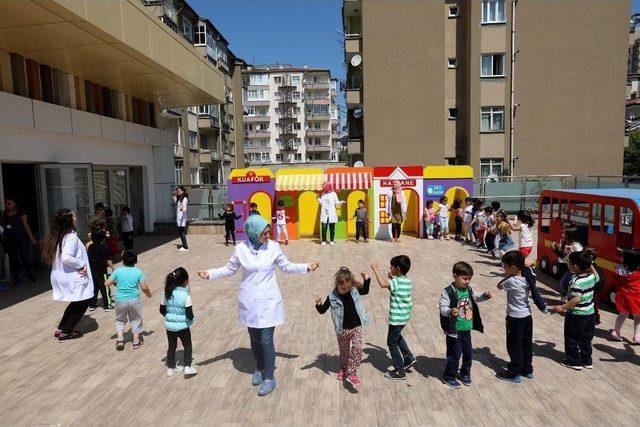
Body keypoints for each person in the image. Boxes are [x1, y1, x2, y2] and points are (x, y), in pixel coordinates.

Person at [197, 215, 319, 396]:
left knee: (266, 339)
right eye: (265, 232)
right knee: (254, 339)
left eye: (269, 231)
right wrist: (210, 273)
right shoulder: (240, 249)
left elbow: (286, 266)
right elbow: (229, 269)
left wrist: (306, 267)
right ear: (254, 232)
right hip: (249, 301)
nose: (269, 234)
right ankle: (259, 368)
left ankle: (269, 377)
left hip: (268, 301)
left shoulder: (274, 247)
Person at [42, 208, 94, 341]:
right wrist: (81, 265)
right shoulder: (70, 237)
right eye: (74, 216)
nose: (76, 218)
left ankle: (61, 328)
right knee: (83, 301)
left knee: (76, 302)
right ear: (69, 220)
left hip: (62, 275)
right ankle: (66, 332)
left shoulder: (58, 235)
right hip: (72, 276)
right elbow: (66, 257)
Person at [439, 262, 492, 389]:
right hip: (454, 330)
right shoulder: (448, 291)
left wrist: (484, 296)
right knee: (454, 354)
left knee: (468, 353)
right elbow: (442, 307)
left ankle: (465, 373)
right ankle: (449, 376)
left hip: (466, 328)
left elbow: (476, 298)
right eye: (464, 278)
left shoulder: (468, 289)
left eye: (469, 279)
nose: (467, 281)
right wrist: (450, 311)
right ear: (455, 275)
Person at [315, 267, 371, 386]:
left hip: (357, 327)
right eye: (343, 289)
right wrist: (318, 304)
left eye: (348, 287)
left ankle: (352, 373)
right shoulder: (332, 297)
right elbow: (322, 310)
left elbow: (365, 291)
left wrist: (366, 280)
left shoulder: (354, 290)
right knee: (344, 352)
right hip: (342, 330)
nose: (346, 290)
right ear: (337, 285)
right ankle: (344, 369)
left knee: (357, 349)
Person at [549, 249, 599, 370]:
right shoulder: (591, 277)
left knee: (572, 338)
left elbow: (576, 299)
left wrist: (562, 307)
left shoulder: (575, 282)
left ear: (575, 267)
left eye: (569, 263)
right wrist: (589, 263)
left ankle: (573, 361)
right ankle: (587, 360)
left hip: (577, 315)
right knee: (586, 338)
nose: (569, 265)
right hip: (590, 314)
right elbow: (597, 276)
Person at [371, 255, 416, 380]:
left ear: (397, 268)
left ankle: (399, 371)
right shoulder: (407, 280)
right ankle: (408, 358)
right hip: (404, 316)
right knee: (397, 336)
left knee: (391, 342)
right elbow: (395, 291)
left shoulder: (396, 282)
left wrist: (376, 270)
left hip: (397, 318)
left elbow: (383, 284)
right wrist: (392, 279)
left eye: (391, 266)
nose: (390, 268)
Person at [495, 251, 536, 383]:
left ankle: (514, 373)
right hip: (527, 316)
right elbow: (532, 264)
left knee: (514, 345)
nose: (504, 269)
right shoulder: (529, 275)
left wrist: (507, 275)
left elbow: (499, 286)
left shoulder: (512, 281)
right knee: (526, 344)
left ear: (513, 267)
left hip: (514, 317)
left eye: (505, 266)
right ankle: (527, 369)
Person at [105, 250, 152, 351]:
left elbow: (107, 283)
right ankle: (135, 342)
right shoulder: (138, 272)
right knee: (136, 319)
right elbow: (144, 287)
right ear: (135, 261)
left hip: (120, 300)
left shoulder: (117, 271)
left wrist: (115, 282)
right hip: (134, 300)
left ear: (123, 261)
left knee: (120, 320)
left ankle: (120, 340)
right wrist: (149, 294)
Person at [161, 267, 197, 377]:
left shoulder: (166, 292)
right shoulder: (186, 295)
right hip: (183, 326)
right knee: (187, 345)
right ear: (185, 281)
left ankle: (171, 369)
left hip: (170, 326)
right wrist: (191, 320)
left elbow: (162, 310)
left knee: (171, 346)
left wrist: (170, 317)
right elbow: (189, 314)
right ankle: (187, 367)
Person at [1, 198, 38, 284]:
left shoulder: (21, 212)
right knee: (13, 258)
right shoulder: (3, 214)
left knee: (24, 256)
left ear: (15, 204)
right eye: (6, 203)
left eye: (9, 203)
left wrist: (32, 238)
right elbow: (2, 228)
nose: (7, 205)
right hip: (9, 238)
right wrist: (3, 241)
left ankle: (29, 273)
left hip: (21, 237)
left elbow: (26, 225)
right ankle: (16, 278)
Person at [610, 248, 640, 343]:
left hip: (622, 295)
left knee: (623, 314)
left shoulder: (619, 268)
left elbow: (615, 279)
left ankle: (616, 332)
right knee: (638, 316)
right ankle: (637, 337)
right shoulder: (638, 271)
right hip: (636, 296)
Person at [87, 225, 115, 311]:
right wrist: (114, 268)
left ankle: (92, 305)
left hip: (92, 271)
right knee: (104, 288)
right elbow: (108, 260)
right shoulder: (104, 248)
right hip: (101, 271)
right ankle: (107, 305)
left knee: (94, 288)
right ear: (103, 238)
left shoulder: (90, 247)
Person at [552, 226, 583, 297]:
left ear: (570, 236)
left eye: (565, 234)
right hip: (570, 270)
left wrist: (571, 252)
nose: (563, 235)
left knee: (568, 286)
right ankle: (569, 296)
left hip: (576, 271)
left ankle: (572, 299)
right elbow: (564, 257)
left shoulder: (576, 246)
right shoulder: (568, 244)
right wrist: (555, 249)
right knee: (563, 284)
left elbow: (580, 258)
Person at [317, 181, 345, 246]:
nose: (323, 188)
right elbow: (322, 203)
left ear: (328, 187)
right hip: (324, 214)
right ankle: (324, 240)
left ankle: (331, 240)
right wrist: (318, 199)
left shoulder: (333, 194)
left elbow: (336, 202)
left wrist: (341, 202)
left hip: (331, 213)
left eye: (324, 187)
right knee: (324, 228)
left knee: (332, 228)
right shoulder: (323, 194)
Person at [173, 186, 189, 251]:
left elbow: (185, 208)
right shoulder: (180, 198)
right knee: (181, 232)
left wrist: (182, 208)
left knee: (182, 232)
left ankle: (185, 247)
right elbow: (175, 201)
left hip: (182, 218)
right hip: (179, 218)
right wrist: (174, 195)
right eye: (177, 191)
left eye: (179, 190)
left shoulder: (184, 198)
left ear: (183, 191)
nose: (178, 192)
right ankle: (184, 246)